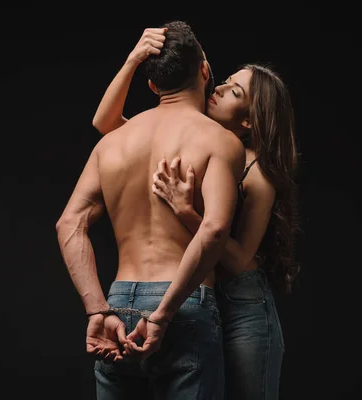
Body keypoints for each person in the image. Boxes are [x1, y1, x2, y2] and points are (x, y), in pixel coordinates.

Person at [92, 27, 301, 400]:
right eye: (226, 81)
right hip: (200, 297)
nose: (218, 89)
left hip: (243, 307)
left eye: (234, 92)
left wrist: (188, 212)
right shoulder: (203, 144)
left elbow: (239, 261)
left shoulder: (257, 174)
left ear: (250, 121)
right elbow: (107, 126)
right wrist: (133, 60)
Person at [56, 20, 246, 400]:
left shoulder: (112, 143)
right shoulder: (220, 142)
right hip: (183, 303)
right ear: (204, 72)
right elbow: (213, 230)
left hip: (118, 305)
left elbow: (69, 223)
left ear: (153, 86)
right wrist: (163, 313)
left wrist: (97, 310)